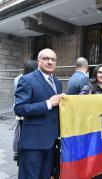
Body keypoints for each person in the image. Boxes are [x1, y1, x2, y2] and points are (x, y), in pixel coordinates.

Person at [14, 48, 64, 179]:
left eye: (53, 59)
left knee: (46, 175)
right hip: (33, 143)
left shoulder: (58, 83)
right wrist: (48, 103)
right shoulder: (27, 80)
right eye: (46, 58)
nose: (49, 62)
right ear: (38, 61)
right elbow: (20, 109)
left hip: (51, 142)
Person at [80, 64, 102, 179]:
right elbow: (80, 100)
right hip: (92, 128)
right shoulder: (89, 86)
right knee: (92, 156)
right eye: (100, 72)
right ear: (95, 74)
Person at [13, 60, 38, 163]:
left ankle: (16, 153)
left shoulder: (17, 79)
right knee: (23, 133)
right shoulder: (29, 80)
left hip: (18, 108)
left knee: (18, 131)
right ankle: (21, 154)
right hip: (26, 110)